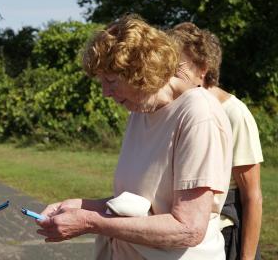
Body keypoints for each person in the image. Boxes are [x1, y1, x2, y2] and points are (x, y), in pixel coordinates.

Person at [35, 14, 233, 259]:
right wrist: (78, 205)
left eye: (110, 81)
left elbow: (188, 228)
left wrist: (90, 221)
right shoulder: (140, 111)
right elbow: (141, 205)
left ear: (140, 71)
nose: (105, 93)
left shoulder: (198, 114)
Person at [169, 22, 263, 260]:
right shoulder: (173, 108)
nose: (167, 76)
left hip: (224, 237)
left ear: (203, 68)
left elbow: (251, 196)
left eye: (176, 67)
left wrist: (247, 258)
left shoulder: (234, 113)